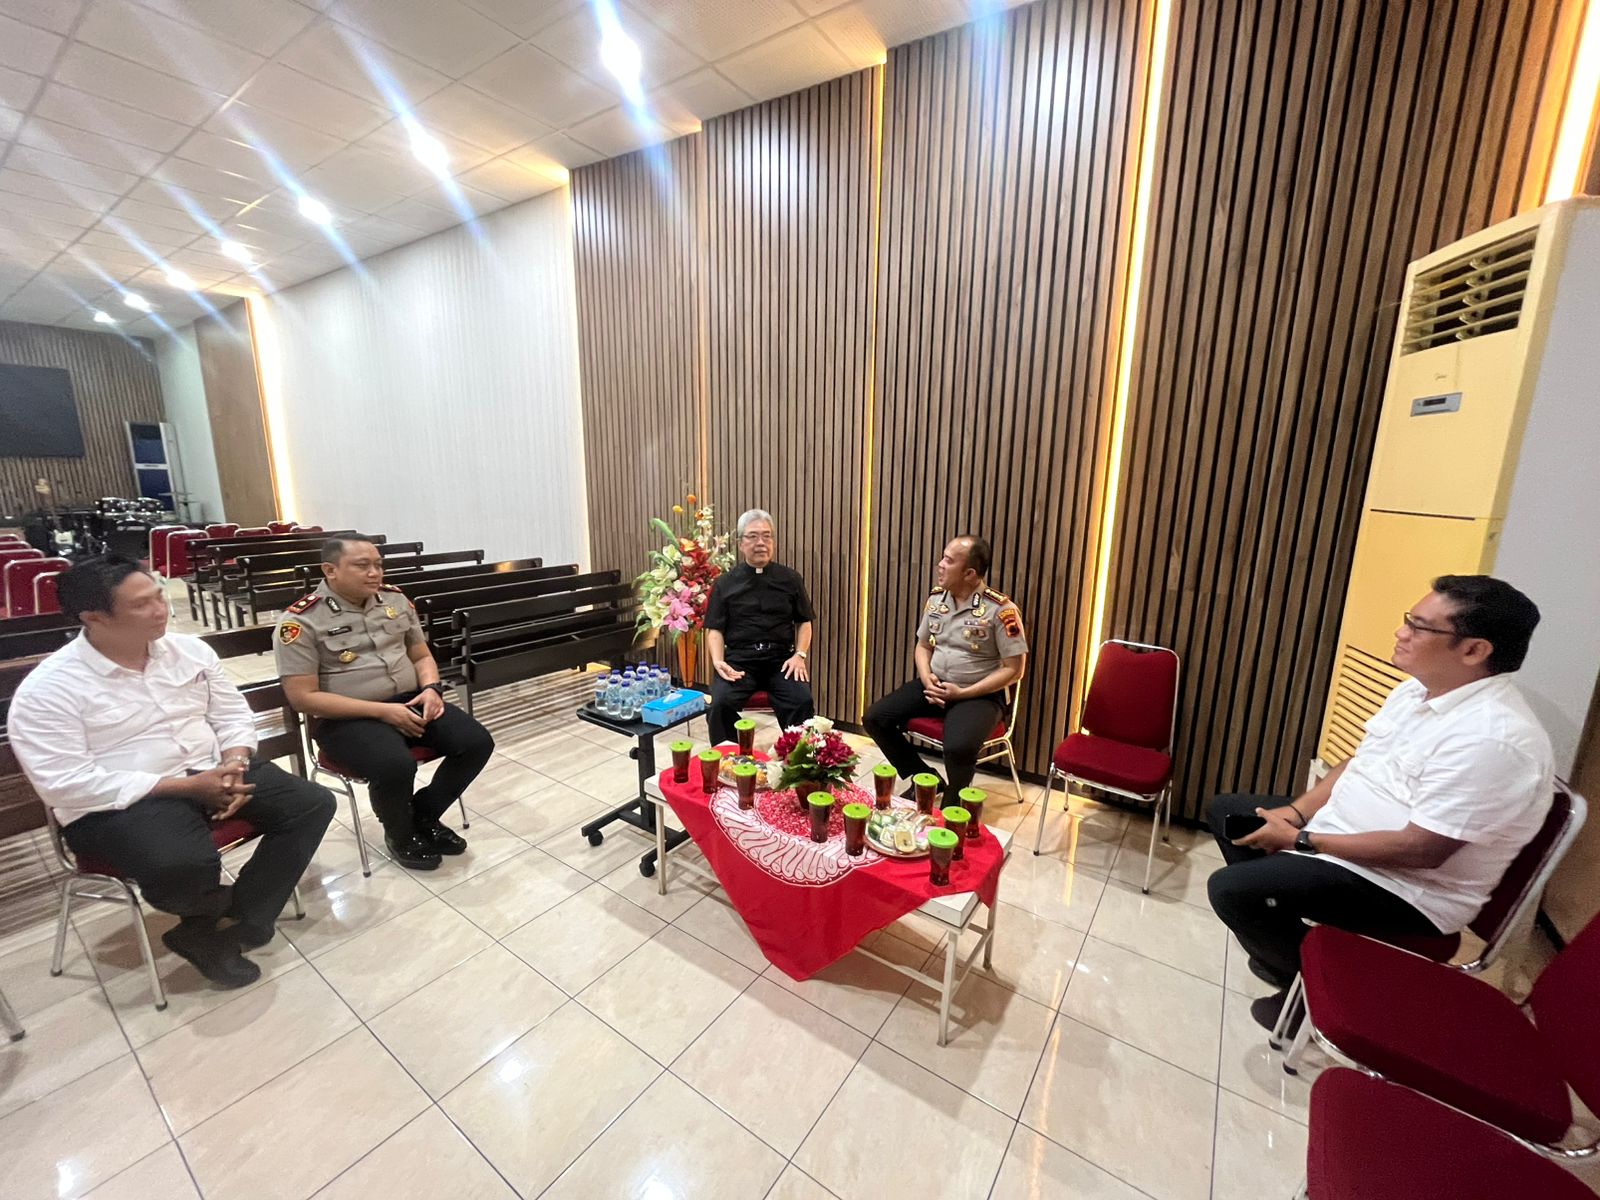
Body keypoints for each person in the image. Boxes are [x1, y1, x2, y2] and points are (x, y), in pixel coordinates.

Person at [1206, 575, 1554, 1030]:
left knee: (1233, 891)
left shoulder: (1492, 739)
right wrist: (1295, 815)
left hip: (1405, 887)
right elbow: (1359, 762)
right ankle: (1288, 954)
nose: (1401, 632)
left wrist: (1301, 840)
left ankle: (1316, 991)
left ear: (1473, 650)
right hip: (1343, 838)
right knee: (1229, 812)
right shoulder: (1417, 690)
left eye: (1419, 626)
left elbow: (1422, 850)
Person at [8, 557, 336, 989]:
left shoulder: (189, 651)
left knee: (311, 804)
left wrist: (235, 763)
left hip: (210, 768)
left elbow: (231, 715)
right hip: (122, 800)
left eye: (159, 596)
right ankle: (213, 917)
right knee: (181, 863)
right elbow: (64, 782)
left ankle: (235, 920)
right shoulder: (49, 689)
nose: (160, 609)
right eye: (141, 604)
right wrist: (186, 787)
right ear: (93, 617)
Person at [275, 537, 495, 871]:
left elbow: (421, 655)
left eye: (378, 564)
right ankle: (400, 834)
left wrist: (432, 689)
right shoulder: (301, 621)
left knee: (476, 743)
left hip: (409, 700)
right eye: (362, 565)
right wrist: (383, 711)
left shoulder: (395, 599)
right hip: (345, 718)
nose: (374, 573)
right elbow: (302, 697)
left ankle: (422, 815)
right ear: (330, 570)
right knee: (395, 765)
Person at [864, 535, 1027, 800]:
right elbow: (923, 646)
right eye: (943, 557)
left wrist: (963, 694)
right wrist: (926, 678)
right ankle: (925, 779)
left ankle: (952, 807)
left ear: (970, 573)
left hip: (980, 695)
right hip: (936, 684)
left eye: (949, 561)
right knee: (875, 718)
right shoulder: (937, 599)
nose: (940, 564)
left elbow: (1014, 670)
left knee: (959, 747)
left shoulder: (1001, 610)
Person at [704, 509, 816, 744]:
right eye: (753, 536)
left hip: (781, 661)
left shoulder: (791, 579)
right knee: (719, 704)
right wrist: (718, 661)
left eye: (767, 536)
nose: (761, 543)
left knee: (801, 700)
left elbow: (804, 622)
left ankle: (798, 758)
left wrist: (800, 655)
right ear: (740, 543)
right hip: (740, 661)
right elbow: (714, 629)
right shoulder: (725, 583)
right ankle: (730, 759)